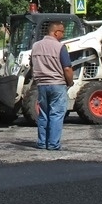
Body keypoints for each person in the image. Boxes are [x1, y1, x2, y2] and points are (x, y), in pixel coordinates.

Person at [30, 20, 75, 150]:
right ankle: (53, 144)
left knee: (43, 114)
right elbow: (67, 68)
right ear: (56, 32)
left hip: (41, 85)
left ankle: (41, 143)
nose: (63, 34)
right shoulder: (60, 47)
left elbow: (33, 64)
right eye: (62, 32)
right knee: (56, 114)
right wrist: (70, 82)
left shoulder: (36, 46)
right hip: (57, 84)